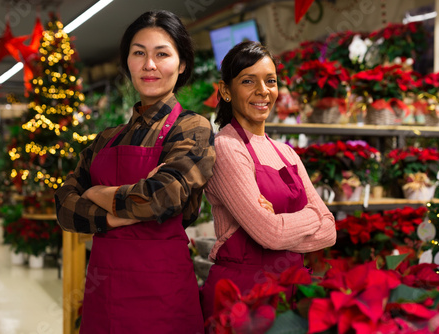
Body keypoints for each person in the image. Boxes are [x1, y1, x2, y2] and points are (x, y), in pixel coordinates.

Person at [54, 10, 215, 334]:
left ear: (182, 64)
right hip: (103, 292)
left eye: (162, 54)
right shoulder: (105, 138)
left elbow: (162, 197)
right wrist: (121, 212)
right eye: (138, 53)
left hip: (163, 296)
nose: (149, 64)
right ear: (127, 61)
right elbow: (64, 206)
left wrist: (98, 193)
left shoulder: (191, 128)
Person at [199, 41, 336, 320]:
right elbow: (270, 234)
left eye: (270, 81)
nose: (263, 91)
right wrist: (312, 215)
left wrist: (280, 227)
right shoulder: (227, 147)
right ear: (226, 91)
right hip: (242, 296)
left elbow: (330, 230)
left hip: (291, 289)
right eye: (248, 81)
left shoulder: (285, 152)